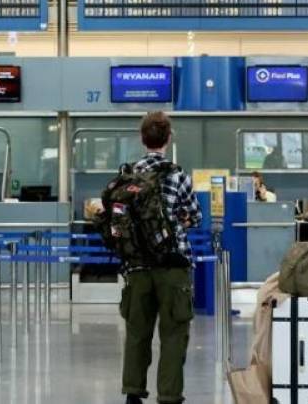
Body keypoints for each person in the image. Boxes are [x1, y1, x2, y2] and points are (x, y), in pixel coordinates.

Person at [122, 111, 202, 404]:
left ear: (142, 139)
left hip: (137, 265)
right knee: (173, 334)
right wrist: (177, 221)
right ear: (168, 138)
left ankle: (133, 394)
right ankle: (169, 396)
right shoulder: (178, 175)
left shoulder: (128, 176)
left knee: (137, 333)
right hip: (172, 266)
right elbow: (195, 216)